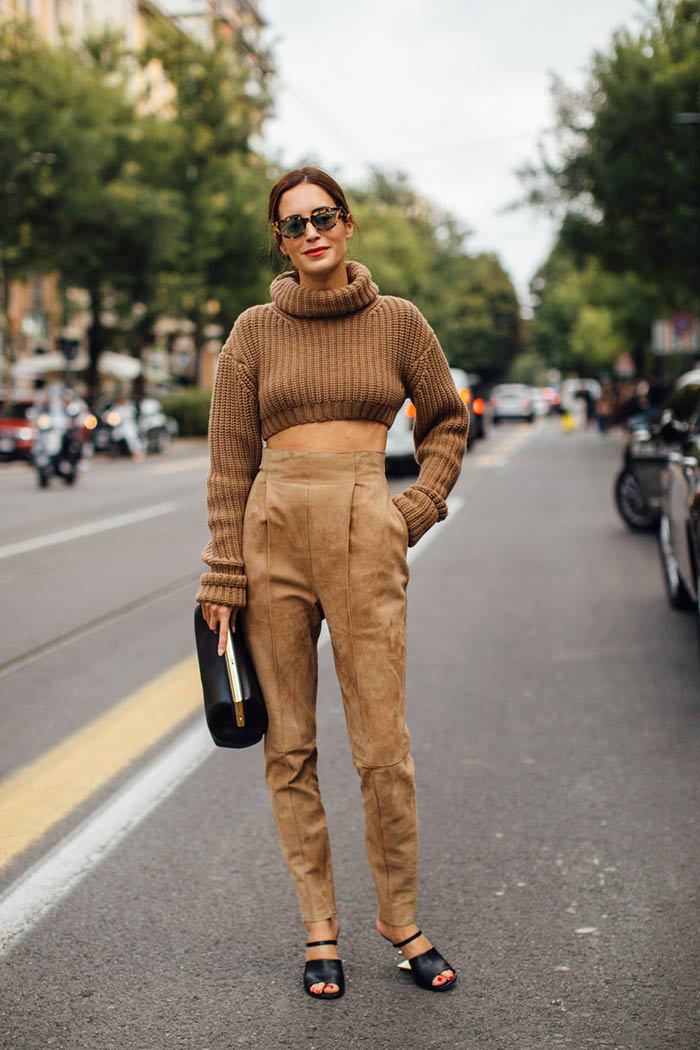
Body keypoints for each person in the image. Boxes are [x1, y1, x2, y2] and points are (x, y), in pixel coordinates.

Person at [198, 167, 468, 1001]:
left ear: (347, 226)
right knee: (289, 745)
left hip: (364, 525)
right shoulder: (252, 330)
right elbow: (230, 456)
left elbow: (447, 419)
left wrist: (412, 508)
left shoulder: (398, 322)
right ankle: (320, 925)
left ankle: (401, 918)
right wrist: (223, 570)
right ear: (278, 241)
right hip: (270, 526)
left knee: (382, 745)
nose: (310, 232)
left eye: (323, 217)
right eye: (292, 224)